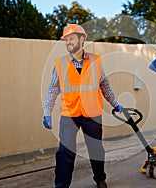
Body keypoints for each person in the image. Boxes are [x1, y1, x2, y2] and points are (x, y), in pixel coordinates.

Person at [42, 24, 122, 188]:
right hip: (69, 113)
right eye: (66, 40)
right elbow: (52, 90)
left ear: (82, 38)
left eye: (71, 38)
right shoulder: (60, 64)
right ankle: (61, 186)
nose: (68, 43)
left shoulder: (96, 61)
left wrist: (115, 104)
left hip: (92, 113)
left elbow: (105, 86)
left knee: (96, 149)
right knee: (65, 152)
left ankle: (100, 178)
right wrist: (47, 112)